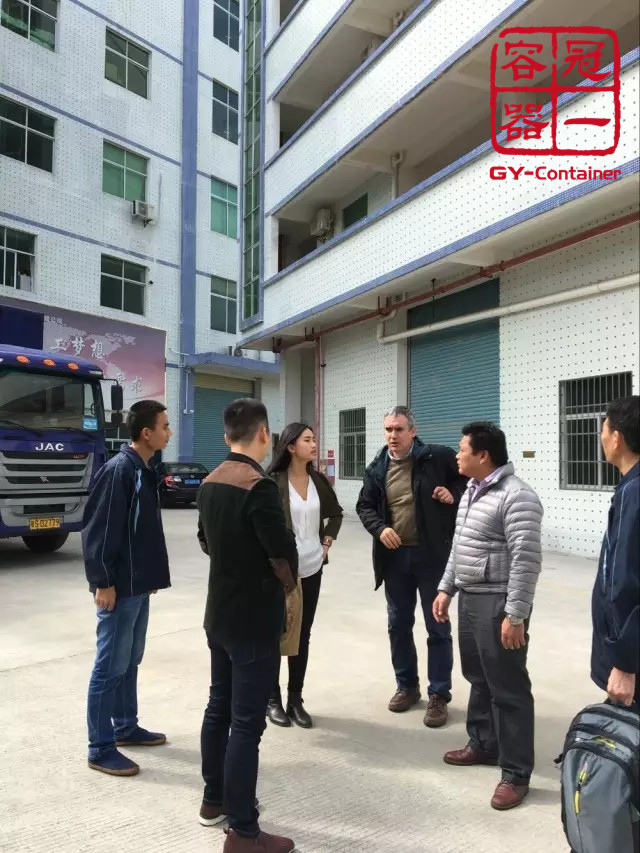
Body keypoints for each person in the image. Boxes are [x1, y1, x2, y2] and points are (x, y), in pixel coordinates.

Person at [196, 398, 298, 853]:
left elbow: (205, 541)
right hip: (254, 618)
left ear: (226, 436)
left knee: (219, 707)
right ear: (264, 435)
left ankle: (213, 799)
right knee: (246, 724)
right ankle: (243, 831)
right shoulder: (258, 487)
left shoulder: (210, 482)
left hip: (219, 613)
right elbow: (282, 552)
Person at [433, 421, 543, 811]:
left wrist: (516, 614)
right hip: (470, 598)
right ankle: (483, 744)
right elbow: (459, 545)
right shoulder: (471, 491)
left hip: (498, 603)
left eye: (462, 449)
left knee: (508, 687)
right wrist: (446, 587)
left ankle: (516, 774)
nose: (457, 455)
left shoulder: (518, 496)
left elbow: (526, 561)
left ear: (483, 455)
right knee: (478, 677)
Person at [356, 405, 467, 728]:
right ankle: (407, 686)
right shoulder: (376, 468)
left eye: (399, 429)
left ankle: (439, 694)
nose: (393, 435)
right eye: (388, 429)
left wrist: (453, 492)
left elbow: (468, 479)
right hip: (396, 559)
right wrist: (380, 529)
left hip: (432, 557)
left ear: (412, 431)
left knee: (437, 626)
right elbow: (364, 506)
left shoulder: (436, 457)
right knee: (398, 624)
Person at [82, 399, 172, 777]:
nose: (169, 433)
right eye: (164, 426)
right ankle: (100, 747)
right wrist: (103, 582)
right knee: (110, 666)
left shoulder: (144, 469)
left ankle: (125, 726)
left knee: (130, 659)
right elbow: (100, 530)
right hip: (118, 588)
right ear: (146, 433)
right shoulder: (120, 470)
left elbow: (141, 534)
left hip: (138, 585)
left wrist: (148, 579)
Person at [265, 423, 343, 729]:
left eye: (314, 439)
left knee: (303, 633)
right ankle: (272, 699)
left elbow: (336, 514)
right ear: (290, 446)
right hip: (282, 570)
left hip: (312, 566)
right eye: (307, 440)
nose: (313, 444)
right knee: (276, 631)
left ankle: (295, 699)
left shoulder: (317, 480)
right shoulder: (273, 481)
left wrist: (326, 543)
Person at [591, 395, 639, 708]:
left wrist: (624, 663)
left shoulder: (633, 493)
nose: (602, 438)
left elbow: (625, 582)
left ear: (617, 438)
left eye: (603, 430)